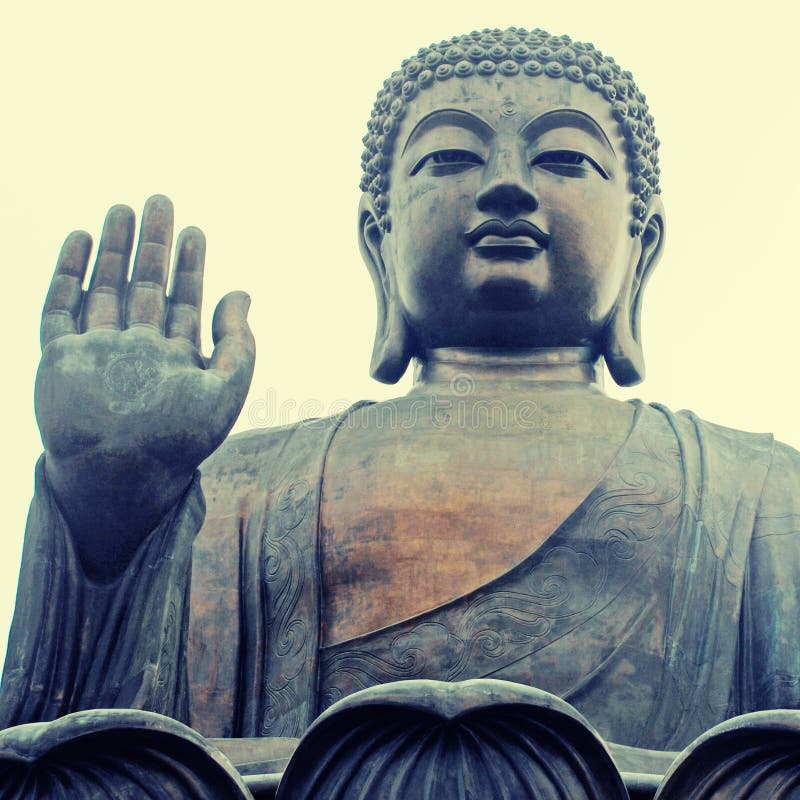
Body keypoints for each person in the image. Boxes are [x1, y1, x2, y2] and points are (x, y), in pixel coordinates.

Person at [2, 27, 799, 754]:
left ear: (642, 240)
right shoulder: (236, 490)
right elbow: (77, 751)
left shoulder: (762, 493)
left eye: (564, 159)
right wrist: (110, 506)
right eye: (450, 158)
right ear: (377, 241)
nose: (507, 187)